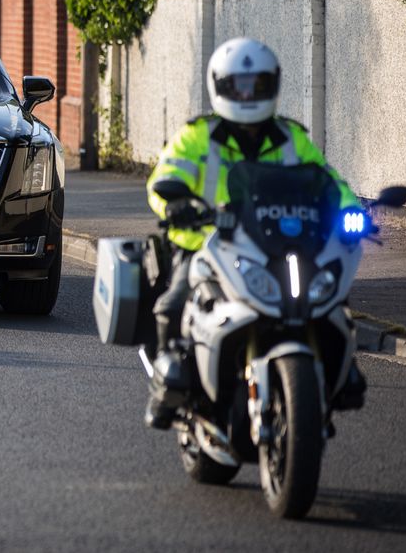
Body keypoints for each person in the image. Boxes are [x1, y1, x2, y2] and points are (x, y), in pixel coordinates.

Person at [143, 37, 362, 429]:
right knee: (173, 304)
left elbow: (327, 180)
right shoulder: (197, 135)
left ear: (272, 85)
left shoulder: (291, 137)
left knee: (331, 300)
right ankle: (168, 389)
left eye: (256, 84)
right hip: (208, 243)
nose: (246, 94)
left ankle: (343, 374)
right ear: (220, 86)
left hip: (278, 244)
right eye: (238, 85)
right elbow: (165, 177)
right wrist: (175, 205)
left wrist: (350, 209)